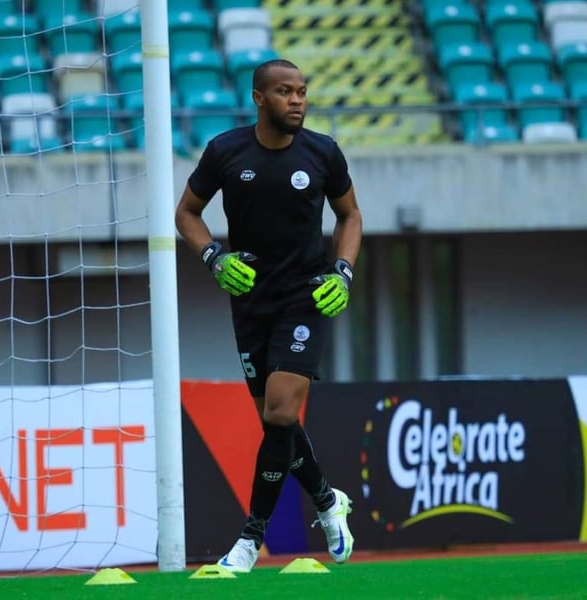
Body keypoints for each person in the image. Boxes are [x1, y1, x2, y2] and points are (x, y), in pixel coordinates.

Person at [174, 58, 363, 573]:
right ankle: (327, 499)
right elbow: (186, 214)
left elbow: (350, 215)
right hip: (250, 299)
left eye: (302, 91)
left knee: (280, 413)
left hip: (307, 297)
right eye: (285, 92)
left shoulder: (323, 152)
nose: (297, 100)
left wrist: (343, 272)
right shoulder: (226, 151)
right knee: (274, 422)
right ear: (259, 98)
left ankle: (249, 537)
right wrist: (214, 258)